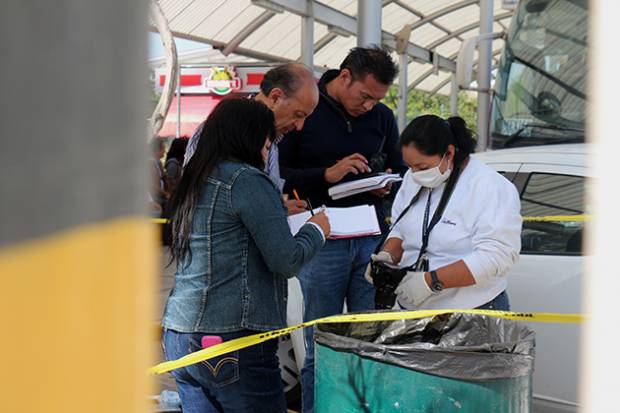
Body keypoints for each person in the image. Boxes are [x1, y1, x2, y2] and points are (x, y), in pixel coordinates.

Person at [161, 98, 330, 413]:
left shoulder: (195, 177)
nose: (267, 156)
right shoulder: (246, 179)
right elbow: (285, 260)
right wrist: (316, 230)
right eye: (267, 146)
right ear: (250, 139)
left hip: (179, 336)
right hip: (231, 337)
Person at [277, 46, 406, 413]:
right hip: (320, 240)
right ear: (344, 76)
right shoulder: (307, 110)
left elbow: (399, 169)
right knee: (320, 343)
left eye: (376, 99)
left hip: (369, 237)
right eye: (364, 96)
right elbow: (279, 175)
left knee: (369, 343)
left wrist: (385, 183)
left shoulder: (382, 117)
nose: (368, 106)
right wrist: (327, 175)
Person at [365, 114, 522, 312]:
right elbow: (400, 229)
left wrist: (430, 281)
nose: (414, 174)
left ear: (449, 152)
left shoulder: (489, 187)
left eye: (422, 167)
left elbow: (495, 256)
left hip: (470, 310)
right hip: (413, 309)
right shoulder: (413, 179)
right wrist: (387, 256)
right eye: (410, 167)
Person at [183, 63, 319, 215]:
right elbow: (206, 203)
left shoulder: (272, 140)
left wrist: (279, 206)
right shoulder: (221, 129)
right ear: (275, 97)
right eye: (298, 115)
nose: (299, 126)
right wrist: (276, 210)